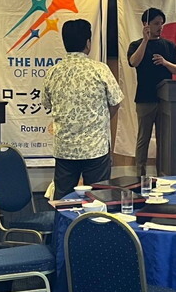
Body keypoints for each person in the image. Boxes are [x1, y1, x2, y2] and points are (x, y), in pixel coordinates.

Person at [42, 19, 124, 200]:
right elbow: (116, 102)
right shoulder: (100, 69)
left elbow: (47, 104)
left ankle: (63, 219)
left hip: (65, 148)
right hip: (95, 147)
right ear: (88, 43)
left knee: (63, 198)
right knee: (98, 198)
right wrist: (101, 121)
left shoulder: (53, 72)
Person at [127, 7, 176, 176]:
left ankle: (162, 175)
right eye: (156, 23)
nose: (160, 27)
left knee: (163, 140)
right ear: (146, 24)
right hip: (145, 98)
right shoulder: (136, 45)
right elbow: (133, 62)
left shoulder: (169, 46)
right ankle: (140, 175)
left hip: (165, 101)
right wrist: (145, 41)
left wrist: (165, 62)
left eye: (162, 24)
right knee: (143, 139)